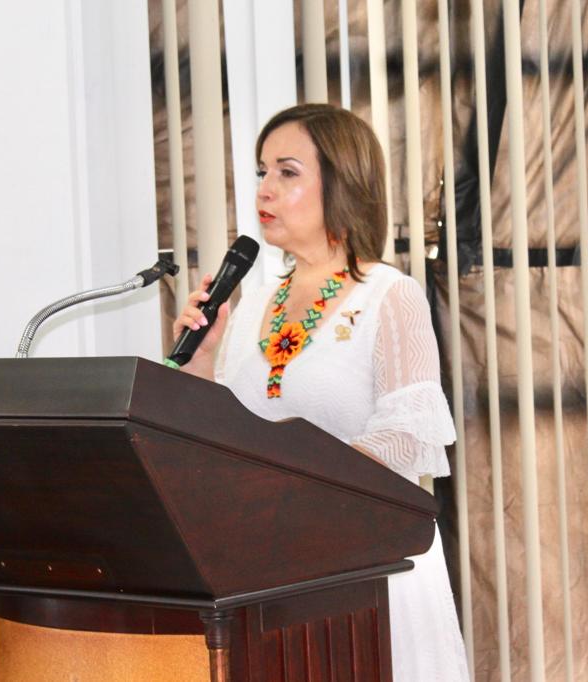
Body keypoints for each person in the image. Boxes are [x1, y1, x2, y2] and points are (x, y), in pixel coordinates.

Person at [174, 103, 469, 681]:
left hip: (370, 564)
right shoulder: (252, 301)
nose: (265, 189)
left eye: (287, 172)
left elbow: (409, 437)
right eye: (262, 172)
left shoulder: (389, 294)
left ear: (342, 181)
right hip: (271, 567)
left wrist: (295, 482)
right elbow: (218, 438)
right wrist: (202, 361)